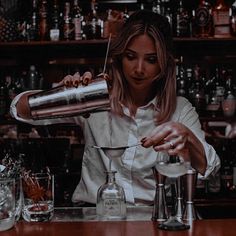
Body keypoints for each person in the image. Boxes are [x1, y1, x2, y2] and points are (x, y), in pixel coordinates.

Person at [10, 10, 220, 206]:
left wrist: (187, 137)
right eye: (130, 57)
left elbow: (209, 167)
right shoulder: (95, 99)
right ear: (119, 57)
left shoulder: (180, 109)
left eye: (151, 60)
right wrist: (66, 96)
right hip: (93, 216)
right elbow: (19, 109)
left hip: (151, 218)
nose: (139, 69)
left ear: (164, 64)